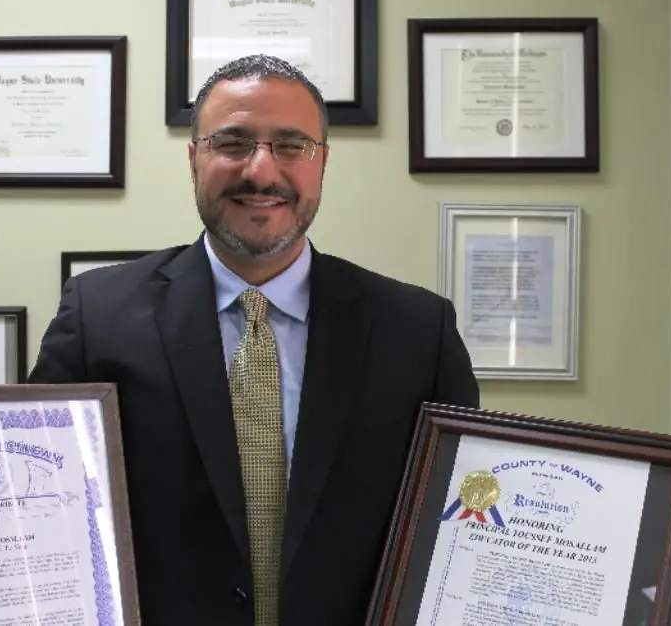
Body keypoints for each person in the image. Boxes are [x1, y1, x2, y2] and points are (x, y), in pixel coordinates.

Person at [28, 54, 480, 626]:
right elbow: (40, 506)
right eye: (233, 143)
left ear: (322, 163)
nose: (261, 172)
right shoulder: (98, 314)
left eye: (291, 145)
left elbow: (460, 523)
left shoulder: (418, 330)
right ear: (194, 159)